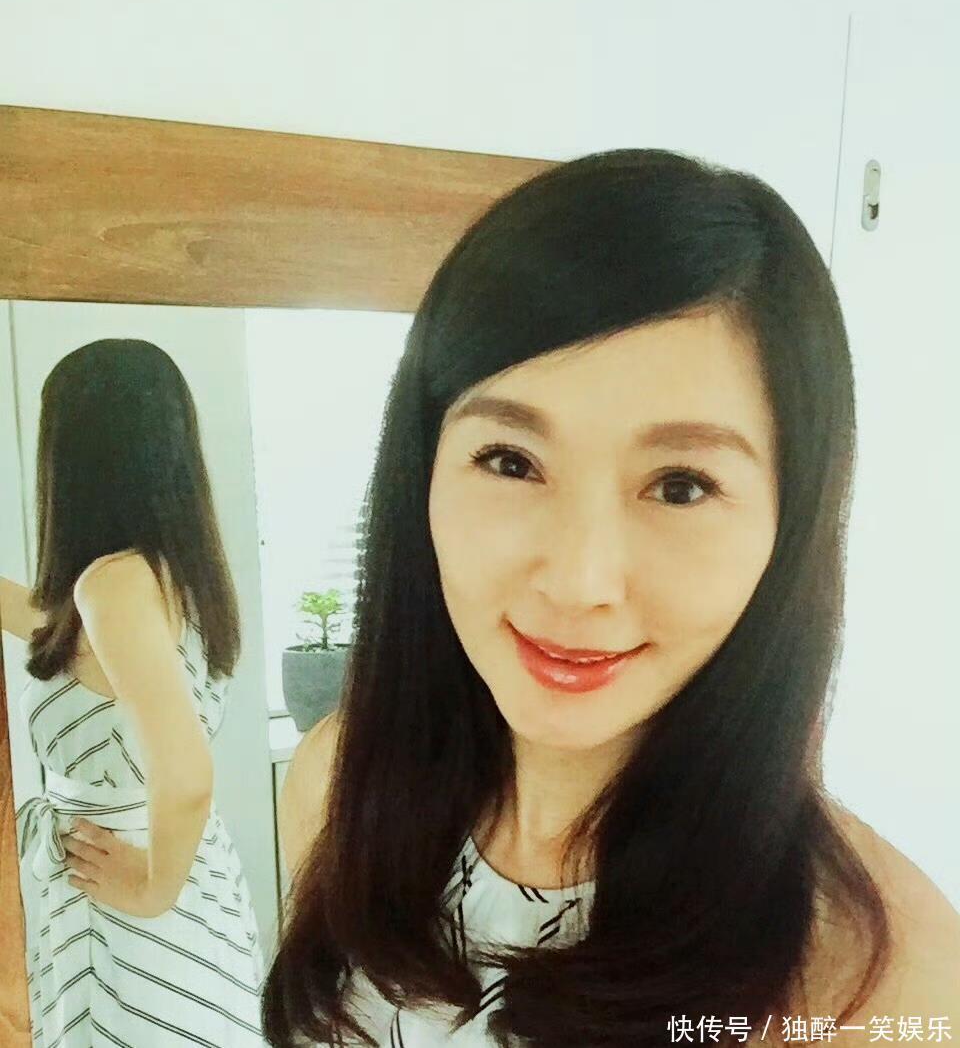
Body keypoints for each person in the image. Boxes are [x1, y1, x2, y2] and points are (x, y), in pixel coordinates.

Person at [263, 149, 960, 1048]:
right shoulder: (339, 785)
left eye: (680, 485)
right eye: (510, 460)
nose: (578, 582)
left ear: (789, 526)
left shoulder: (875, 976)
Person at [1, 338, 265, 1046]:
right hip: (179, 883)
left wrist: (151, 890)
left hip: (127, 897)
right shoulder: (170, 576)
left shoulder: (112, 585)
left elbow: (186, 775)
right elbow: (56, 632)